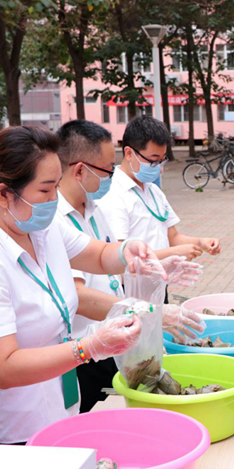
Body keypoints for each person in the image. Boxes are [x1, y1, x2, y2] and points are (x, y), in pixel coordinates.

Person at [0, 126, 160, 445]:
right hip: (9, 434)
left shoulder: (44, 231)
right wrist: (89, 347)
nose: (54, 200)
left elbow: (99, 256)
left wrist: (129, 251)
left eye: (57, 187)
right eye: (45, 191)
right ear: (4, 195)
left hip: (56, 412)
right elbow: (4, 368)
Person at [55, 120, 205, 412]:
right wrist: (151, 313)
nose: (113, 176)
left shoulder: (95, 211)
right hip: (86, 349)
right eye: (108, 170)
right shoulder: (58, 220)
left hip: (113, 338)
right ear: (80, 170)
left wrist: (155, 275)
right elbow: (80, 297)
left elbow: (110, 266)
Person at [99, 114, 220, 262]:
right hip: (131, 284)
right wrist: (172, 253)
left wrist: (201, 242)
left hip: (158, 281)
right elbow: (118, 255)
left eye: (162, 160)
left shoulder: (153, 190)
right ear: (129, 153)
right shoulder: (114, 194)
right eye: (154, 160)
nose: (158, 168)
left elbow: (173, 237)